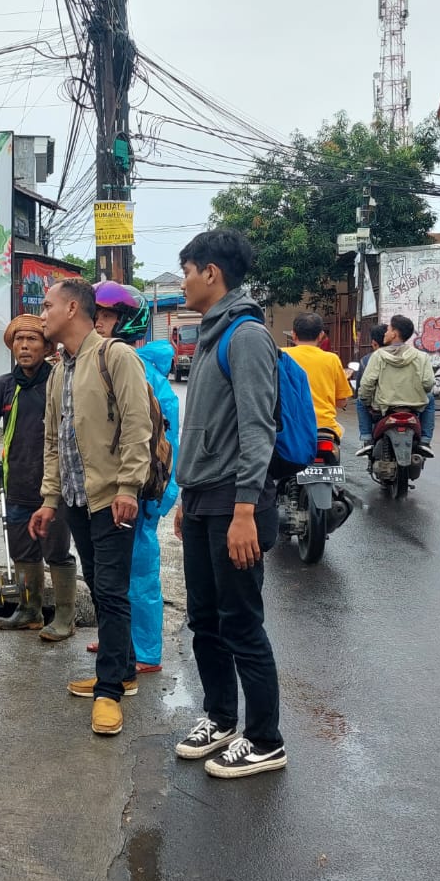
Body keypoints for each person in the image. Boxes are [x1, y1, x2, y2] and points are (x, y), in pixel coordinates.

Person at [168, 230, 287, 780]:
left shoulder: (245, 335)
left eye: (187, 270)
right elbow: (205, 426)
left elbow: (258, 428)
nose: (183, 280)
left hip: (235, 503)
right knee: (206, 620)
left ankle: (265, 739)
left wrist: (245, 510)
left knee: (242, 623)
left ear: (211, 273)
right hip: (202, 500)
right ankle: (221, 717)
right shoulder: (213, 334)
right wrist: (185, 497)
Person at [29, 278, 152, 737]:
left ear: (73, 308)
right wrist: (49, 499)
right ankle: (120, 672)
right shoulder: (61, 367)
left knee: (113, 591)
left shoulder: (115, 356)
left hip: (111, 499)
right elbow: (53, 441)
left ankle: (108, 693)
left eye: (48, 305)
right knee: (102, 589)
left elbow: (138, 425)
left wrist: (129, 488)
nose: (42, 314)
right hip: (78, 501)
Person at [91, 281, 179, 674]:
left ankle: (145, 650)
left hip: (138, 492)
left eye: (106, 316)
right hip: (105, 489)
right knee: (109, 572)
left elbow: (167, 440)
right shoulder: (99, 361)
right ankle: (117, 637)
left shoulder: (142, 370)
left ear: (127, 322)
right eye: (95, 315)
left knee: (139, 572)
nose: (98, 323)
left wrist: (158, 497)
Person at [0, 313, 77, 640]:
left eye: (32, 339)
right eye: (19, 340)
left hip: (54, 489)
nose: (24, 346)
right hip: (14, 485)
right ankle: (29, 610)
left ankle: (65, 616)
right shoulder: (3, 386)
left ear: (46, 346)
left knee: (57, 552)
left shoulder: (59, 382)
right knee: (22, 553)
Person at [359, 313, 437, 451]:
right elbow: (428, 383)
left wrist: (367, 401)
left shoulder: (378, 356)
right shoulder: (421, 356)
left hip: (384, 406)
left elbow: (367, 384)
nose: (385, 333)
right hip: (414, 405)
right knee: (430, 398)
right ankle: (425, 441)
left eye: (388, 330)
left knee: (360, 400)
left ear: (394, 334)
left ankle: (367, 440)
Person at [282, 313, 352, 442]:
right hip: (325, 428)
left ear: (294, 334)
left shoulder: (281, 356)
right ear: (321, 335)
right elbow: (341, 401)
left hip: (290, 428)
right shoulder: (332, 359)